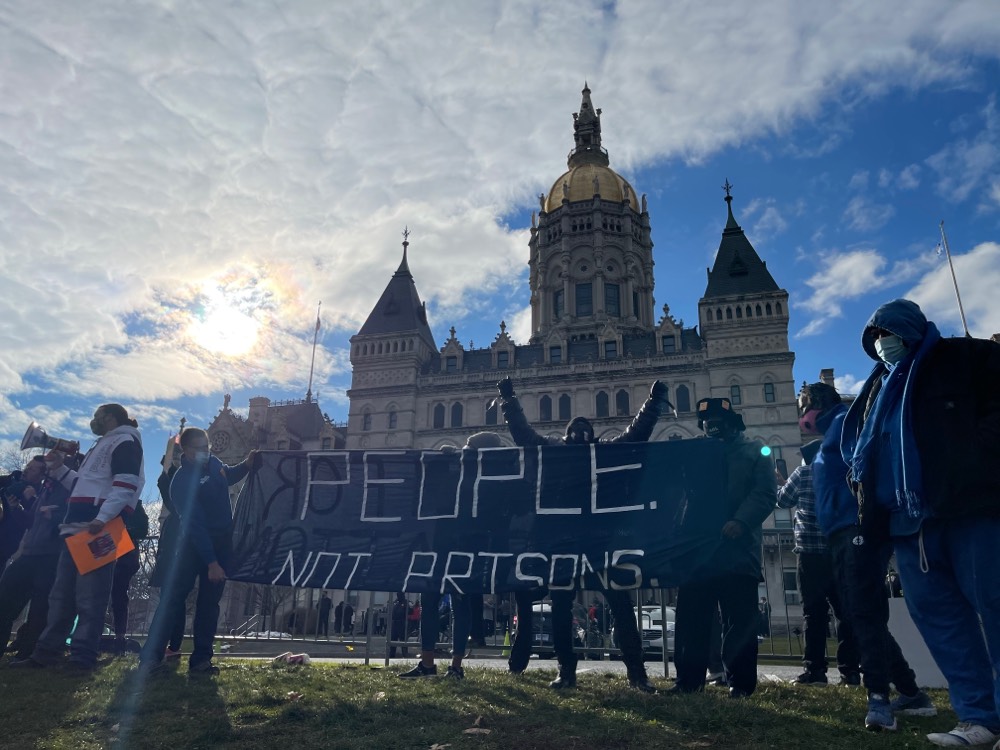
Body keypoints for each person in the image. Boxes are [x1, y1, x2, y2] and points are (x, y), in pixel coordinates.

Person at [841, 299, 1000, 745]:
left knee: (995, 605)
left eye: (886, 332)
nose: (881, 341)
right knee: (942, 621)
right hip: (906, 524)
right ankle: (978, 718)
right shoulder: (878, 387)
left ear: (911, 329)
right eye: (874, 335)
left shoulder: (966, 357)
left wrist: (974, 458)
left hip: (968, 509)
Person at [497, 376, 671, 693]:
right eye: (576, 430)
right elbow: (524, 436)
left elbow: (636, 434)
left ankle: (635, 673)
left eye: (584, 430)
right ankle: (571, 672)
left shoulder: (599, 453)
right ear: (567, 435)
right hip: (568, 542)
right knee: (566, 607)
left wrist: (653, 403)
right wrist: (508, 400)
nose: (580, 432)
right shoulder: (555, 451)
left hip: (596, 543)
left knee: (616, 604)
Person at [806, 375, 934, 731]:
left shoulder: (847, 425)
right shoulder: (834, 431)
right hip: (841, 530)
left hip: (856, 527)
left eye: (804, 408)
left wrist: (866, 520)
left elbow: (863, 469)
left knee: (862, 611)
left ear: (816, 405)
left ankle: (878, 698)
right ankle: (910, 691)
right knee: (863, 613)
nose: (803, 416)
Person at [13, 404, 144, 672]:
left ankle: (82, 657)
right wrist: (59, 469)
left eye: (98, 416)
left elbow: (127, 483)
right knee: (61, 596)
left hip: (98, 526)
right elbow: (83, 484)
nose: (94, 420)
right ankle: (47, 652)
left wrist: (102, 517)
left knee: (90, 597)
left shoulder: (126, 441)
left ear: (110, 417)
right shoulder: (105, 443)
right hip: (78, 526)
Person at [670, 398, 774, 699]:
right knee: (691, 618)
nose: (711, 428)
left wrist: (741, 521)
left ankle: (740, 685)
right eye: (706, 423)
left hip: (737, 549)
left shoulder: (755, 451)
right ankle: (688, 682)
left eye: (717, 422)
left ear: (732, 423)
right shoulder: (695, 453)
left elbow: (766, 493)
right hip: (698, 550)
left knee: (739, 621)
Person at [138, 427, 254, 677]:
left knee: (209, 605)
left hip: (222, 542)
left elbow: (228, 476)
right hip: (193, 544)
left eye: (207, 447)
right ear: (187, 451)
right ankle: (150, 658)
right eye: (200, 448)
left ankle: (201, 661)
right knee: (172, 600)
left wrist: (246, 465)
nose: (206, 452)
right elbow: (195, 524)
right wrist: (211, 562)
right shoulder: (181, 482)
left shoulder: (214, 464)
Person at [776, 435, 861, 686]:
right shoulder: (844, 475)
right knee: (845, 613)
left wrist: (779, 484)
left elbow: (782, 500)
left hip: (809, 553)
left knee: (814, 613)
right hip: (839, 550)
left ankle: (815, 671)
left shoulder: (803, 473)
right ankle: (850, 671)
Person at [0, 455, 73, 662]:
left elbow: (66, 520)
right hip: (29, 554)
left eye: (50, 468)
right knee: (4, 600)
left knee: (39, 611)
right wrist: (17, 508)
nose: (50, 471)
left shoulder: (67, 490)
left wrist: (32, 500)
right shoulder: (43, 490)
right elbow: (32, 521)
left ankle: (27, 654)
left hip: (50, 557)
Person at [149, 452, 185, 658]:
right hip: (171, 553)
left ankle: (169, 645)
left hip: (176, 555)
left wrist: (168, 470)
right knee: (172, 600)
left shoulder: (181, 504)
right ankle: (171, 645)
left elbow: (170, 494)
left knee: (172, 600)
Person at [389, 592, 409, 658]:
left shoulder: (406, 602)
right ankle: (391, 654)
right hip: (395, 623)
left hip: (402, 623)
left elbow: (410, 611)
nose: (398, 596)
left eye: (400, 595)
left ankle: (405, 654)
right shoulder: (396, 603)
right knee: (393, 640)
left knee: (403, 640)